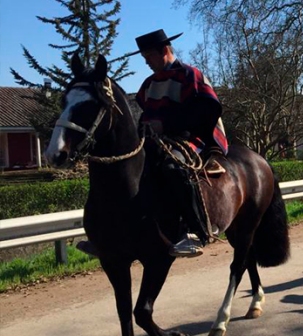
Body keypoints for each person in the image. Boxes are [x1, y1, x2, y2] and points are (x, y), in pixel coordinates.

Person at [77, 29, 228, 259]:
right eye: (144, 59)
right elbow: (145, 116)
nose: (147, 63)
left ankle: (194, 231)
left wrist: (165, 126)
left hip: (191, 137)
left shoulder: (191, 75)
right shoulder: (149, 83)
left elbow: (203, 114)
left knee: (172, 168)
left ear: (164, 50)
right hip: (155, 141)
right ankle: (110, 235)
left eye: (149, 57)